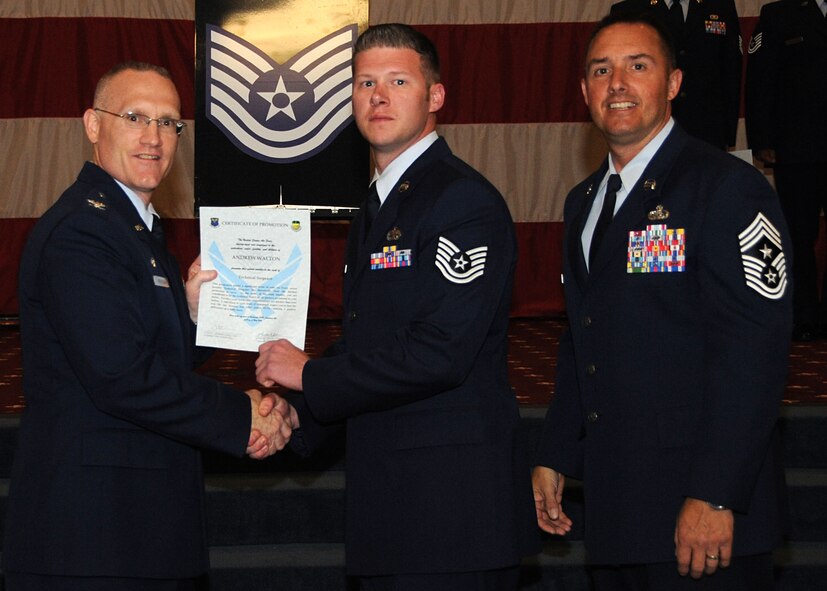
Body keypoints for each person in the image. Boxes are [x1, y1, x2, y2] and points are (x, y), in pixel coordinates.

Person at [253, 23, 538, 591]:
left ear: (435, 96)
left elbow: (442, 352)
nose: (377, 96)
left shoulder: (462, 201)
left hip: (451, 515)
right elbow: (371, 345)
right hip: (397, 506)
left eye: (397, 81)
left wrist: (311, 375)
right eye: (364, 83)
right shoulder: (376, 208)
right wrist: (293, 415)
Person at [2, 62, 292, 590]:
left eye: (169, 123)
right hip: (93, 538)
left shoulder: (131, 226)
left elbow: (142, 354)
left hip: (133, 529)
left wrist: (192, 317)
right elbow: (122, 377)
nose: (154, 138)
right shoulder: (82, 234)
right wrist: (241, 414)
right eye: (135, 117)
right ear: (93, 125)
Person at [532, 12, 791, 591]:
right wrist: (555, 451)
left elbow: (755, 353)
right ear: (584, 91)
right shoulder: (584, 203)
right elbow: (584, 336)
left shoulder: (727, 187)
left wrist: (715, 494)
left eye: (637, 66)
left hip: (702, 516)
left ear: (673, 83)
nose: (617, 82)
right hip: (618, 511)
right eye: (602, 70)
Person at [745, 0, 827, 341]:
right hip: (797, 148)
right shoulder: (779, 14)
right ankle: (804, 316)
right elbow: (761, 77)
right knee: (798, 235)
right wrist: (762, 138)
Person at [610, 0, 742, 150]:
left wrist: (728, 134)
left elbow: (731, 73)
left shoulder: (719, 7)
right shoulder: (629, 10)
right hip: (648, 130)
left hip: (707, 130)